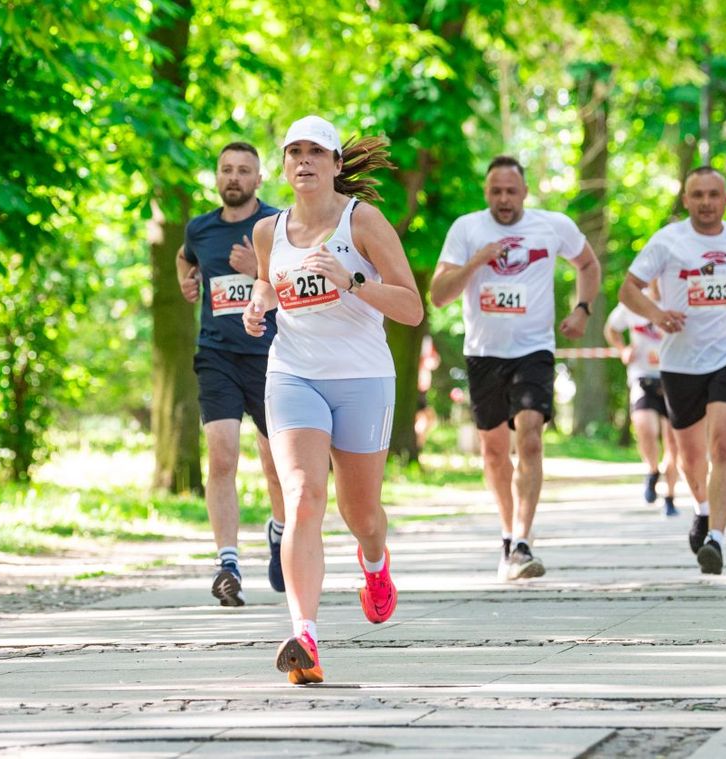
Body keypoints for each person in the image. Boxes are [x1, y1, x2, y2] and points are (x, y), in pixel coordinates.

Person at [243, 115, 423, 685]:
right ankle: (306, 636)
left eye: (316, 152)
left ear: (336, 164)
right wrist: (258, 304)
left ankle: (375, 564)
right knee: (300, 497)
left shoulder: (362, 220)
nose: (304, 161)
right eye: (294, 151)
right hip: (294, 374)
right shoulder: (268, 231)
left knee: (361, 514)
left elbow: (412, 309)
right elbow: (271, 283)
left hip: (363, 378)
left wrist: (352, 281)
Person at [430, 156, 600, 581]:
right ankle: (507, 534)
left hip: (534, 350)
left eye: (511, 191)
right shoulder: (467, 230)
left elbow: (588, 264)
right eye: (495, 191)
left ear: (525, 191)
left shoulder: (553, 225)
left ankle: (523, 540)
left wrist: (582, 309)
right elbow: (438, 295)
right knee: (493, 452)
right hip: (484, 354)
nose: (504, 199)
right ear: (486, 193)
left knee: (530, 438)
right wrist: (477, 261)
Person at [618, 166, 726, 575]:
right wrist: (657, 313)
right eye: (697, 195)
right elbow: (627, 289)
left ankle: (717, 539)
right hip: (680, 360)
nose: (705, 202)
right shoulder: (668, 241)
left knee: (724, 445)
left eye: (713, 195)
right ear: (686, 200)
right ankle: (702, 508)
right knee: (689, 457)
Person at [176, 142, 287, 607]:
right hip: (217, 354)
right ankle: (228, 564)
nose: (235, 178)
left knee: (276, 463)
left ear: (259, 179)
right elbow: (186, 257)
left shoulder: (277, 224)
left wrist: (258, 268)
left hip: (272, 355)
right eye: (227, 170)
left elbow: (301, 281)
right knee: (221, 455)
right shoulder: (199, 229)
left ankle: (280, 534)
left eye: (244, 170)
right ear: (217, 177)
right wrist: (186, 280)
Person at [604, 281, 680, 516]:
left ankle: (669, 495)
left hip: (674, 376)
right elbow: (611, 328)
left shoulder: (677, 297)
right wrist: (622, 349)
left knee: (672, 440)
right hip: (643, 376)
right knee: (645, 427)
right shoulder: (635, 301)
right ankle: (652, 469)